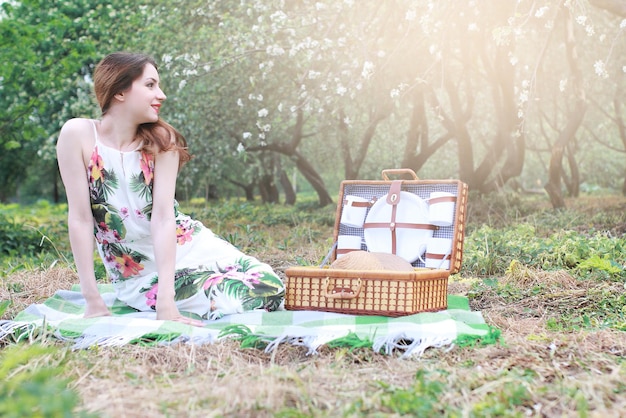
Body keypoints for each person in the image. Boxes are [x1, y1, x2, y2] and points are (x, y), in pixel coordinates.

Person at [56, 52, 285, 326]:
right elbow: (80, 219)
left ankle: (179, 296)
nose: (161, 94)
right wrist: (92, 298)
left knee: (270, 286)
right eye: (150, 85)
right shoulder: (78, 135)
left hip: (188, 246)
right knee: (232, 297)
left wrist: (167, 302)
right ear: (119, 91)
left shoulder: (161, 141)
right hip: (138, 273)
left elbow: (164, 218)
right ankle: (183, 295)